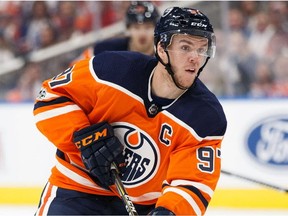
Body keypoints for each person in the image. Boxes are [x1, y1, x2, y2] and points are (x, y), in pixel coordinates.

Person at [34, 7, 227, 215]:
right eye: (186, 47)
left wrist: (169, 211)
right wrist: (81, 136)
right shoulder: (110, 70)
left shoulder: (206, 117)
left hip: (141, 207)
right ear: (162, 48)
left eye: (201, 49)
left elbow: (191, 183)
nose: (195, 58)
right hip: (76, 190)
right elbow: (49, 97)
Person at [72, 1, 160, 64]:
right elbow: (75, 66)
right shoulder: (107, 48)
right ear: (128, 29)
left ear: (156, 28)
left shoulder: (164, 54)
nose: (142, 33)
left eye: (148, 27)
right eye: (136, 28)